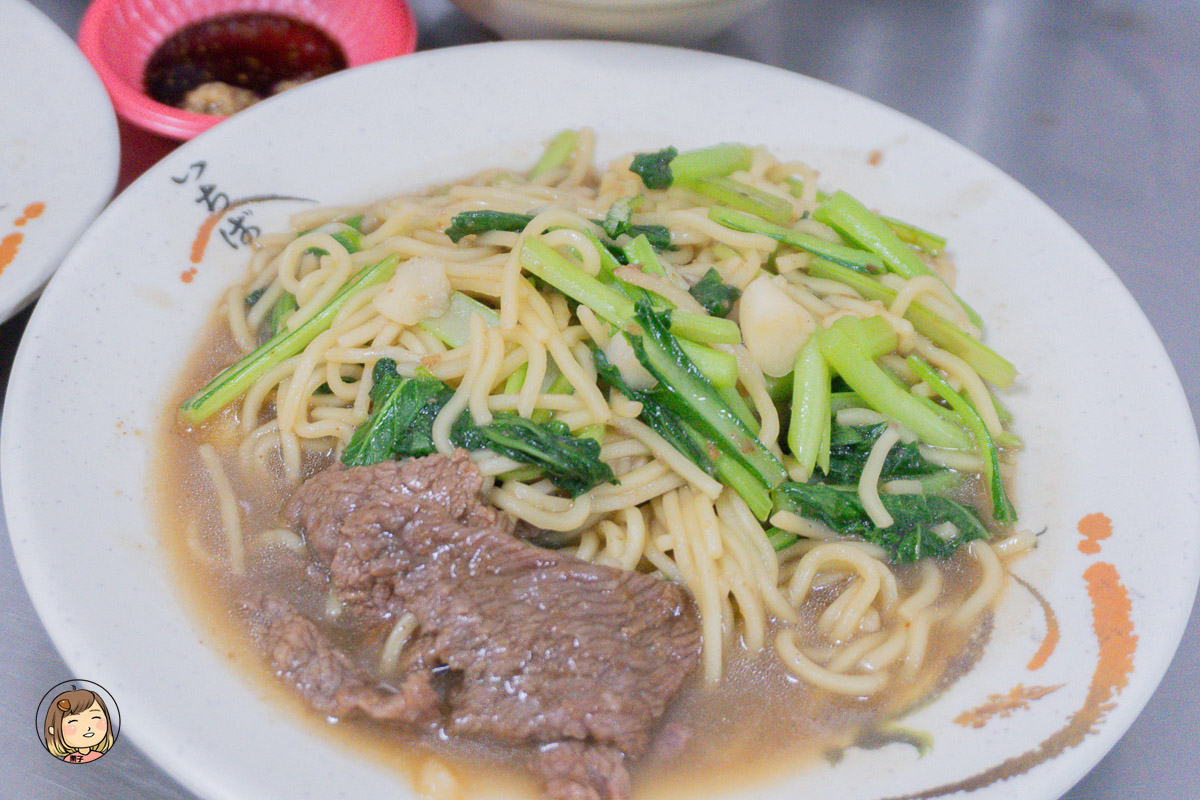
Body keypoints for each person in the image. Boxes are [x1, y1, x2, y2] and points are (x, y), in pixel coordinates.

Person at [43, 687, 114, 763]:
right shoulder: (70, 760)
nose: (88, 728)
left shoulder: (100, 757)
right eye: (73, 722)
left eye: (95, 717)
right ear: (53, 730)